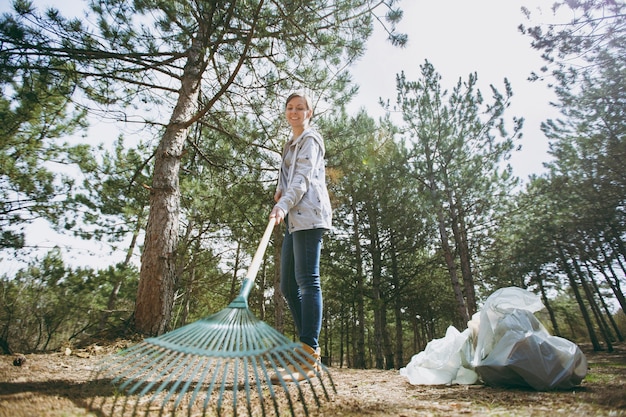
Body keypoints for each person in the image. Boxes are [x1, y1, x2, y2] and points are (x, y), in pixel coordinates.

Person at [269, 92, 332, 383]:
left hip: (309, 214)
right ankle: (307, 350)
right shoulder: (289, 145)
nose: (294, 112)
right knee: (287, 284)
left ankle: (309, 352)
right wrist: (279, 193)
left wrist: (284, 202)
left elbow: (303, 179)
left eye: (300, 108)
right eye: (290, 108)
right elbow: (287, 179)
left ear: (309, 113)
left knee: (308, 281)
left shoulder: (310, 139)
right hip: (293, 217)